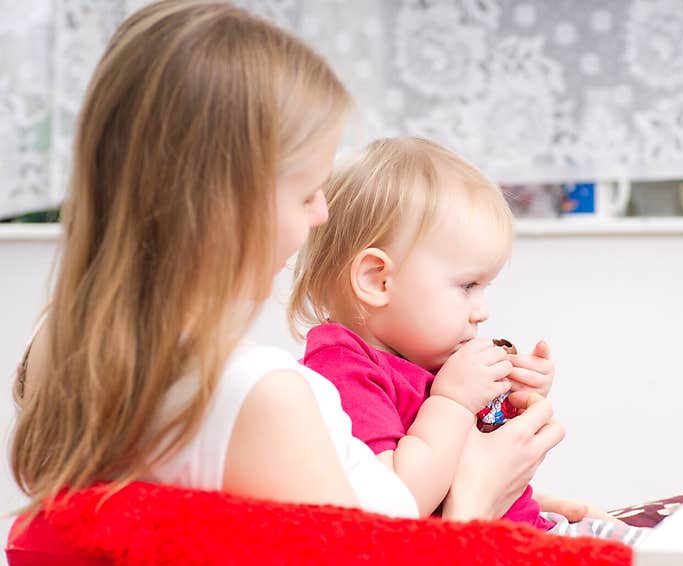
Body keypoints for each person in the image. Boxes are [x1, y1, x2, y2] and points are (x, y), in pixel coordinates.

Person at [9, 1, 563, 527]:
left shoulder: (71, 352)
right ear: (228, 203)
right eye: (306, 194)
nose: (322, 216)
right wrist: (478, 499)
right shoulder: (261, 394)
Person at [289, 136, 645, 544]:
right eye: (468, 285)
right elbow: (397, 504)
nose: (482, 310)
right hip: (488, 554)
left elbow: (474, 453)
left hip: (528, 531)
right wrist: (453, 402)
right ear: (377, 279)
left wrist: (509, 400)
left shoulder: (423, 354)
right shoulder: (342, 371)